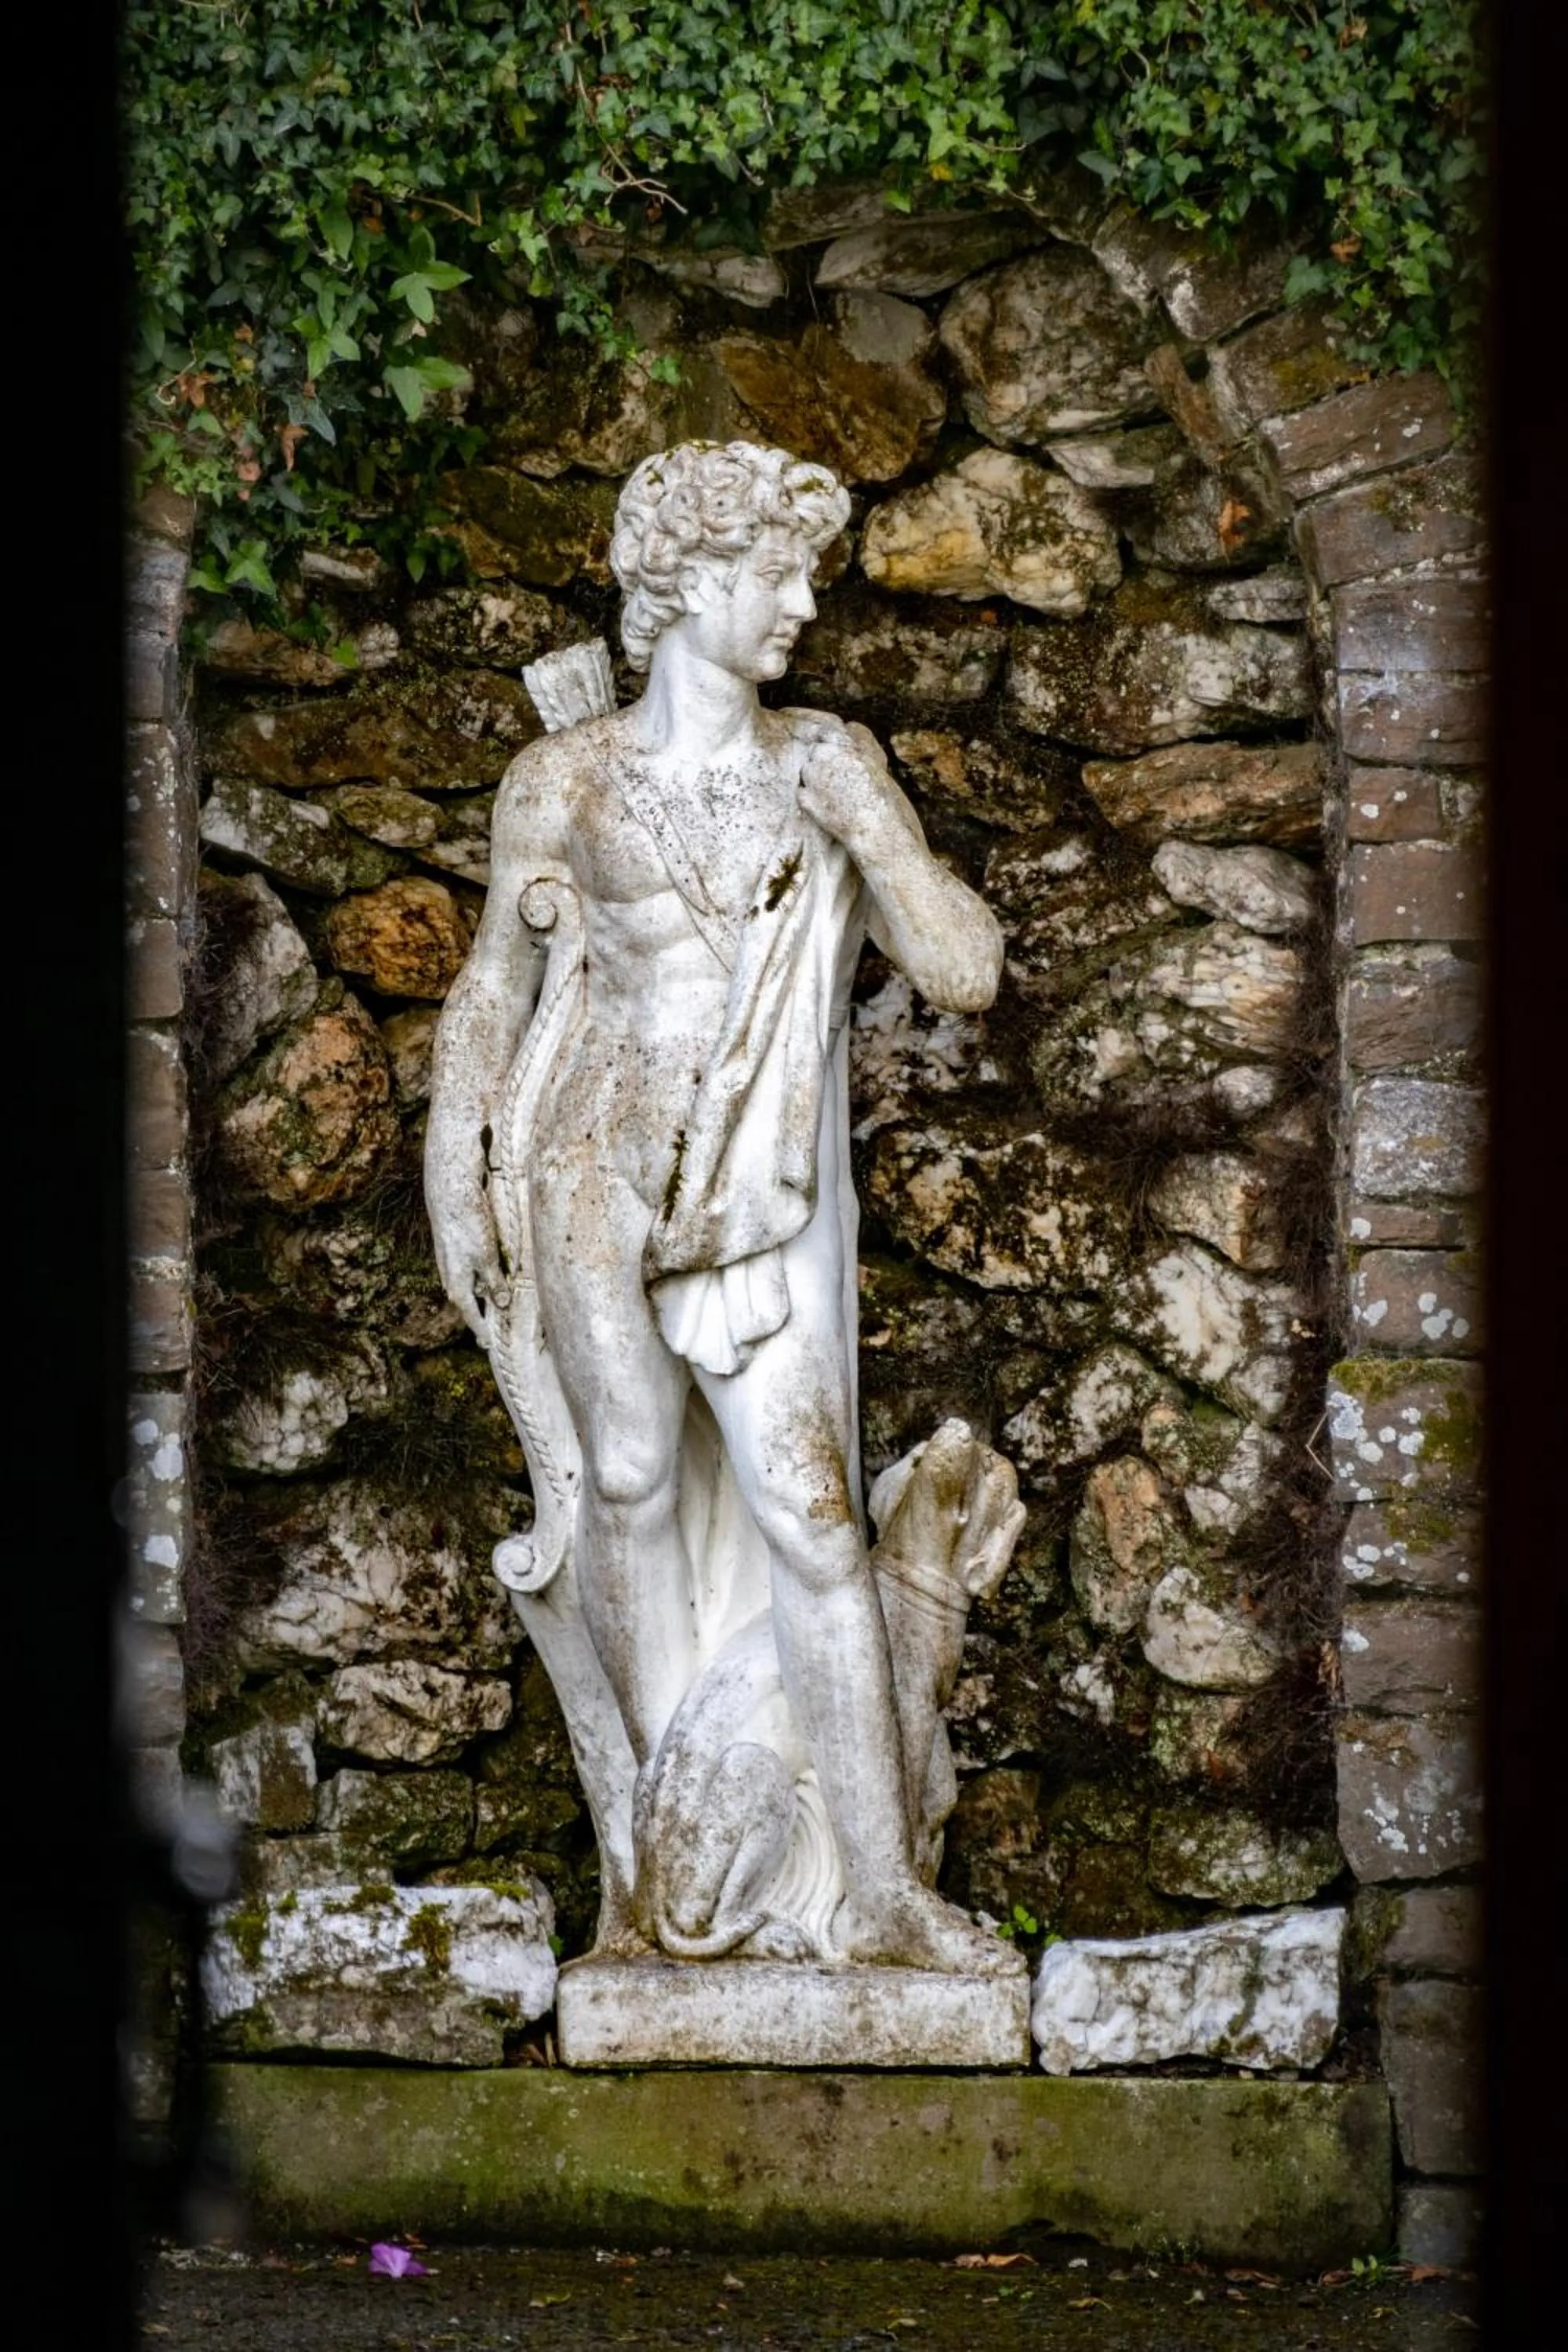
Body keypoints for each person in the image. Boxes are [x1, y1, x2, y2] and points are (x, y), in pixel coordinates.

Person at [427, 441, 1014, 1973]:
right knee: (621, 1480)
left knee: (812, 1517)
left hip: (750, 1185)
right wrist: (451, 1160)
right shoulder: (563, 778)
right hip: (588, 1155)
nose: (802, 606)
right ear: (687, 583)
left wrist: (882, 845)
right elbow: (494, 985)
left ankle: (878, 1891)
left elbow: (958, 971)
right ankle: (650, 1882)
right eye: (774, 574)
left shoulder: (819, 758)